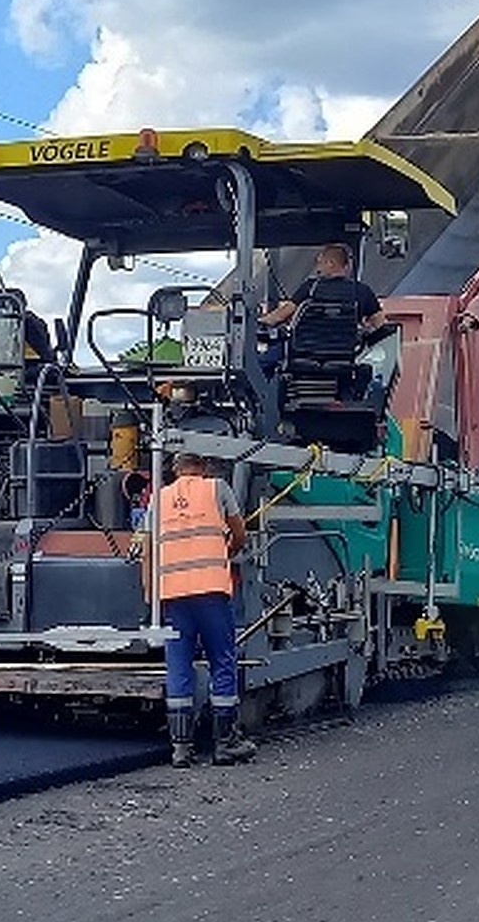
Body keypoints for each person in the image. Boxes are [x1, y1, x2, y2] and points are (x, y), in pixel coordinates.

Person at [142, 453, 255, 768]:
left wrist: (151, 596)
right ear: (204, 467)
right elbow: (240, 532)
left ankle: (181, 748)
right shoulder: (217, 488)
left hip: (174, 597)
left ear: (176, 469)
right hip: (211, 593)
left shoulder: (159, 499)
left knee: (178, 666)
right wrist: (227, 548)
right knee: (222, 661)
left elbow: (148, 548)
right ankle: (225, 743)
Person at [258, 242, 386, 375]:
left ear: (330, 263)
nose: (317, 268)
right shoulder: (362, 292)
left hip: (303, 352)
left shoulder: (310, 288)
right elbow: (381, 325)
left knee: (259, 364)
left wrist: (259, 322)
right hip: (344, 356)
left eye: (320, 262)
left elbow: (279, 316)